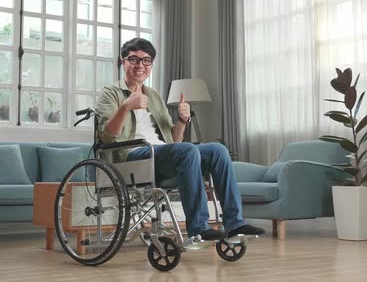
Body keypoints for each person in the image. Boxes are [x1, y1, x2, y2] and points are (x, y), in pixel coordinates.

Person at [96, 38, 265, 241]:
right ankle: (199, 228)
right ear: (122, 62)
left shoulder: (154, 96)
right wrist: (126, 106)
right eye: (134, 59)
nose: (140, 65)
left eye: (146, 60)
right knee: (186, 150)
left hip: (160, 154)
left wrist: (183, 120)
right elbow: (106, 136)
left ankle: (235, 223)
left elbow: (173, 139)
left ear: (151, 65)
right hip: (132, 157)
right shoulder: (110, 93)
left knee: (217, 150)